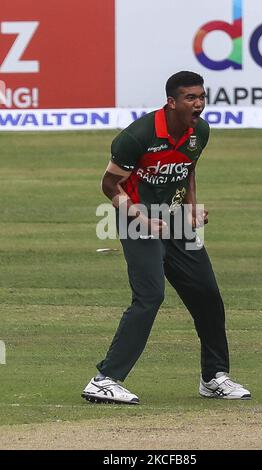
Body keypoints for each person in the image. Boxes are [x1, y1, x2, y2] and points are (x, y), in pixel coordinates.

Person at [82, 71, 251, 404]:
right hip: (136, 220)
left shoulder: (198, 131)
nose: (198, 104)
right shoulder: (138, 136)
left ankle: (213, 376)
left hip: (174, 221)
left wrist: (190, 209)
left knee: (207, 295)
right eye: (190, 98)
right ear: (171, 102)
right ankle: (104, 379)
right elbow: (108, 186)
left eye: (201, 97)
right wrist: (140, 217)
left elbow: (187, 170)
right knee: (150, 296)